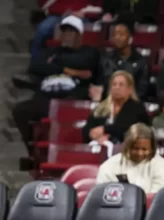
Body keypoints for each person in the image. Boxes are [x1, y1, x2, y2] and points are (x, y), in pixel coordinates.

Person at [13, 15, 102, 156]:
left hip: (72, 98)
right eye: (64, 31)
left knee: (67, 111)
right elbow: (35, 66)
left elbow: (86, 64)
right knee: (20, 111)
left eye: (71, 32)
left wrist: (55, 64)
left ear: (79, 35)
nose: (67, 35)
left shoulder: (89, 52)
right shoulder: (52, 51)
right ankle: (34, 151)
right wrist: (67, 70)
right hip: (47, 99)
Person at [96, 123, 164, 193]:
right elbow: (104, 195)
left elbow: (159, 198)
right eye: (135, 149)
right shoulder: (109, 166)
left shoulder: (161, 165)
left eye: (144, 149)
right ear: (127, 146)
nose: (140, 153)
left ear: (152, 148)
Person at [83, 70, 150, 144]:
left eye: (121, 84)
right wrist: (92, 134)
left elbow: (127, 129)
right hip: (99, 145)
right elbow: (87, 128)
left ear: (129, 89)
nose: (117, 87)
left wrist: (106, 132)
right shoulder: (101, 107)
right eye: (114, 84)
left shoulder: (137, 108)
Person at [99, 16, 149, 100]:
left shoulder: (141, 62)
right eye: (114, 34)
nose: (117, 38)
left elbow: (142, 91)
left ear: (130, 38)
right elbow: (101, 86)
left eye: (121, 34)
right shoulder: (106, 59)